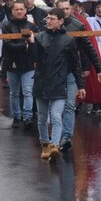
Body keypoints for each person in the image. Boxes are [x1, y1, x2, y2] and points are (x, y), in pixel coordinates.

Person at [26, 8, 85, 162]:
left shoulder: (68, 40)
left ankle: (54, 146)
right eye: (48, 18)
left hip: (59, 83)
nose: (49, 21)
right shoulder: (40, 37)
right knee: (42, 117)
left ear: (61, 21)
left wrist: (81, 85)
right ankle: (45, 145)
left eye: (52, 18)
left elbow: (75, 64)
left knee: (56, 115)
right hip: (41, 82)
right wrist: (32, 44)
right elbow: (34, 59)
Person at [54, 0, 101, 151]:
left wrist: (98, 68)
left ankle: (66, 137)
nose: (65, 11)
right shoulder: (49, 24)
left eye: (67, 8)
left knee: (69, 105)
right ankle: (55, 136)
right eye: (62, 9)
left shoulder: (78, 25)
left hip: (72, 70)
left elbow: (88, 48)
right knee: (56, 107)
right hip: (54, 72)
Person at [2, 0, 37, 129]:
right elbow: (8, 45)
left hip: (28, 64)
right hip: (12, 64)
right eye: (16, 9)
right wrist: (24, 45)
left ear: (25, 10)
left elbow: (35, 45)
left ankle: (27, 117)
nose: (19, 11)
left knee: (28, 92)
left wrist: (29, 46)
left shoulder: (31, 26)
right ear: (12, 11)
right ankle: (16, 117)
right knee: (14, 93)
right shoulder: (6, 26)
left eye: (21, 9)